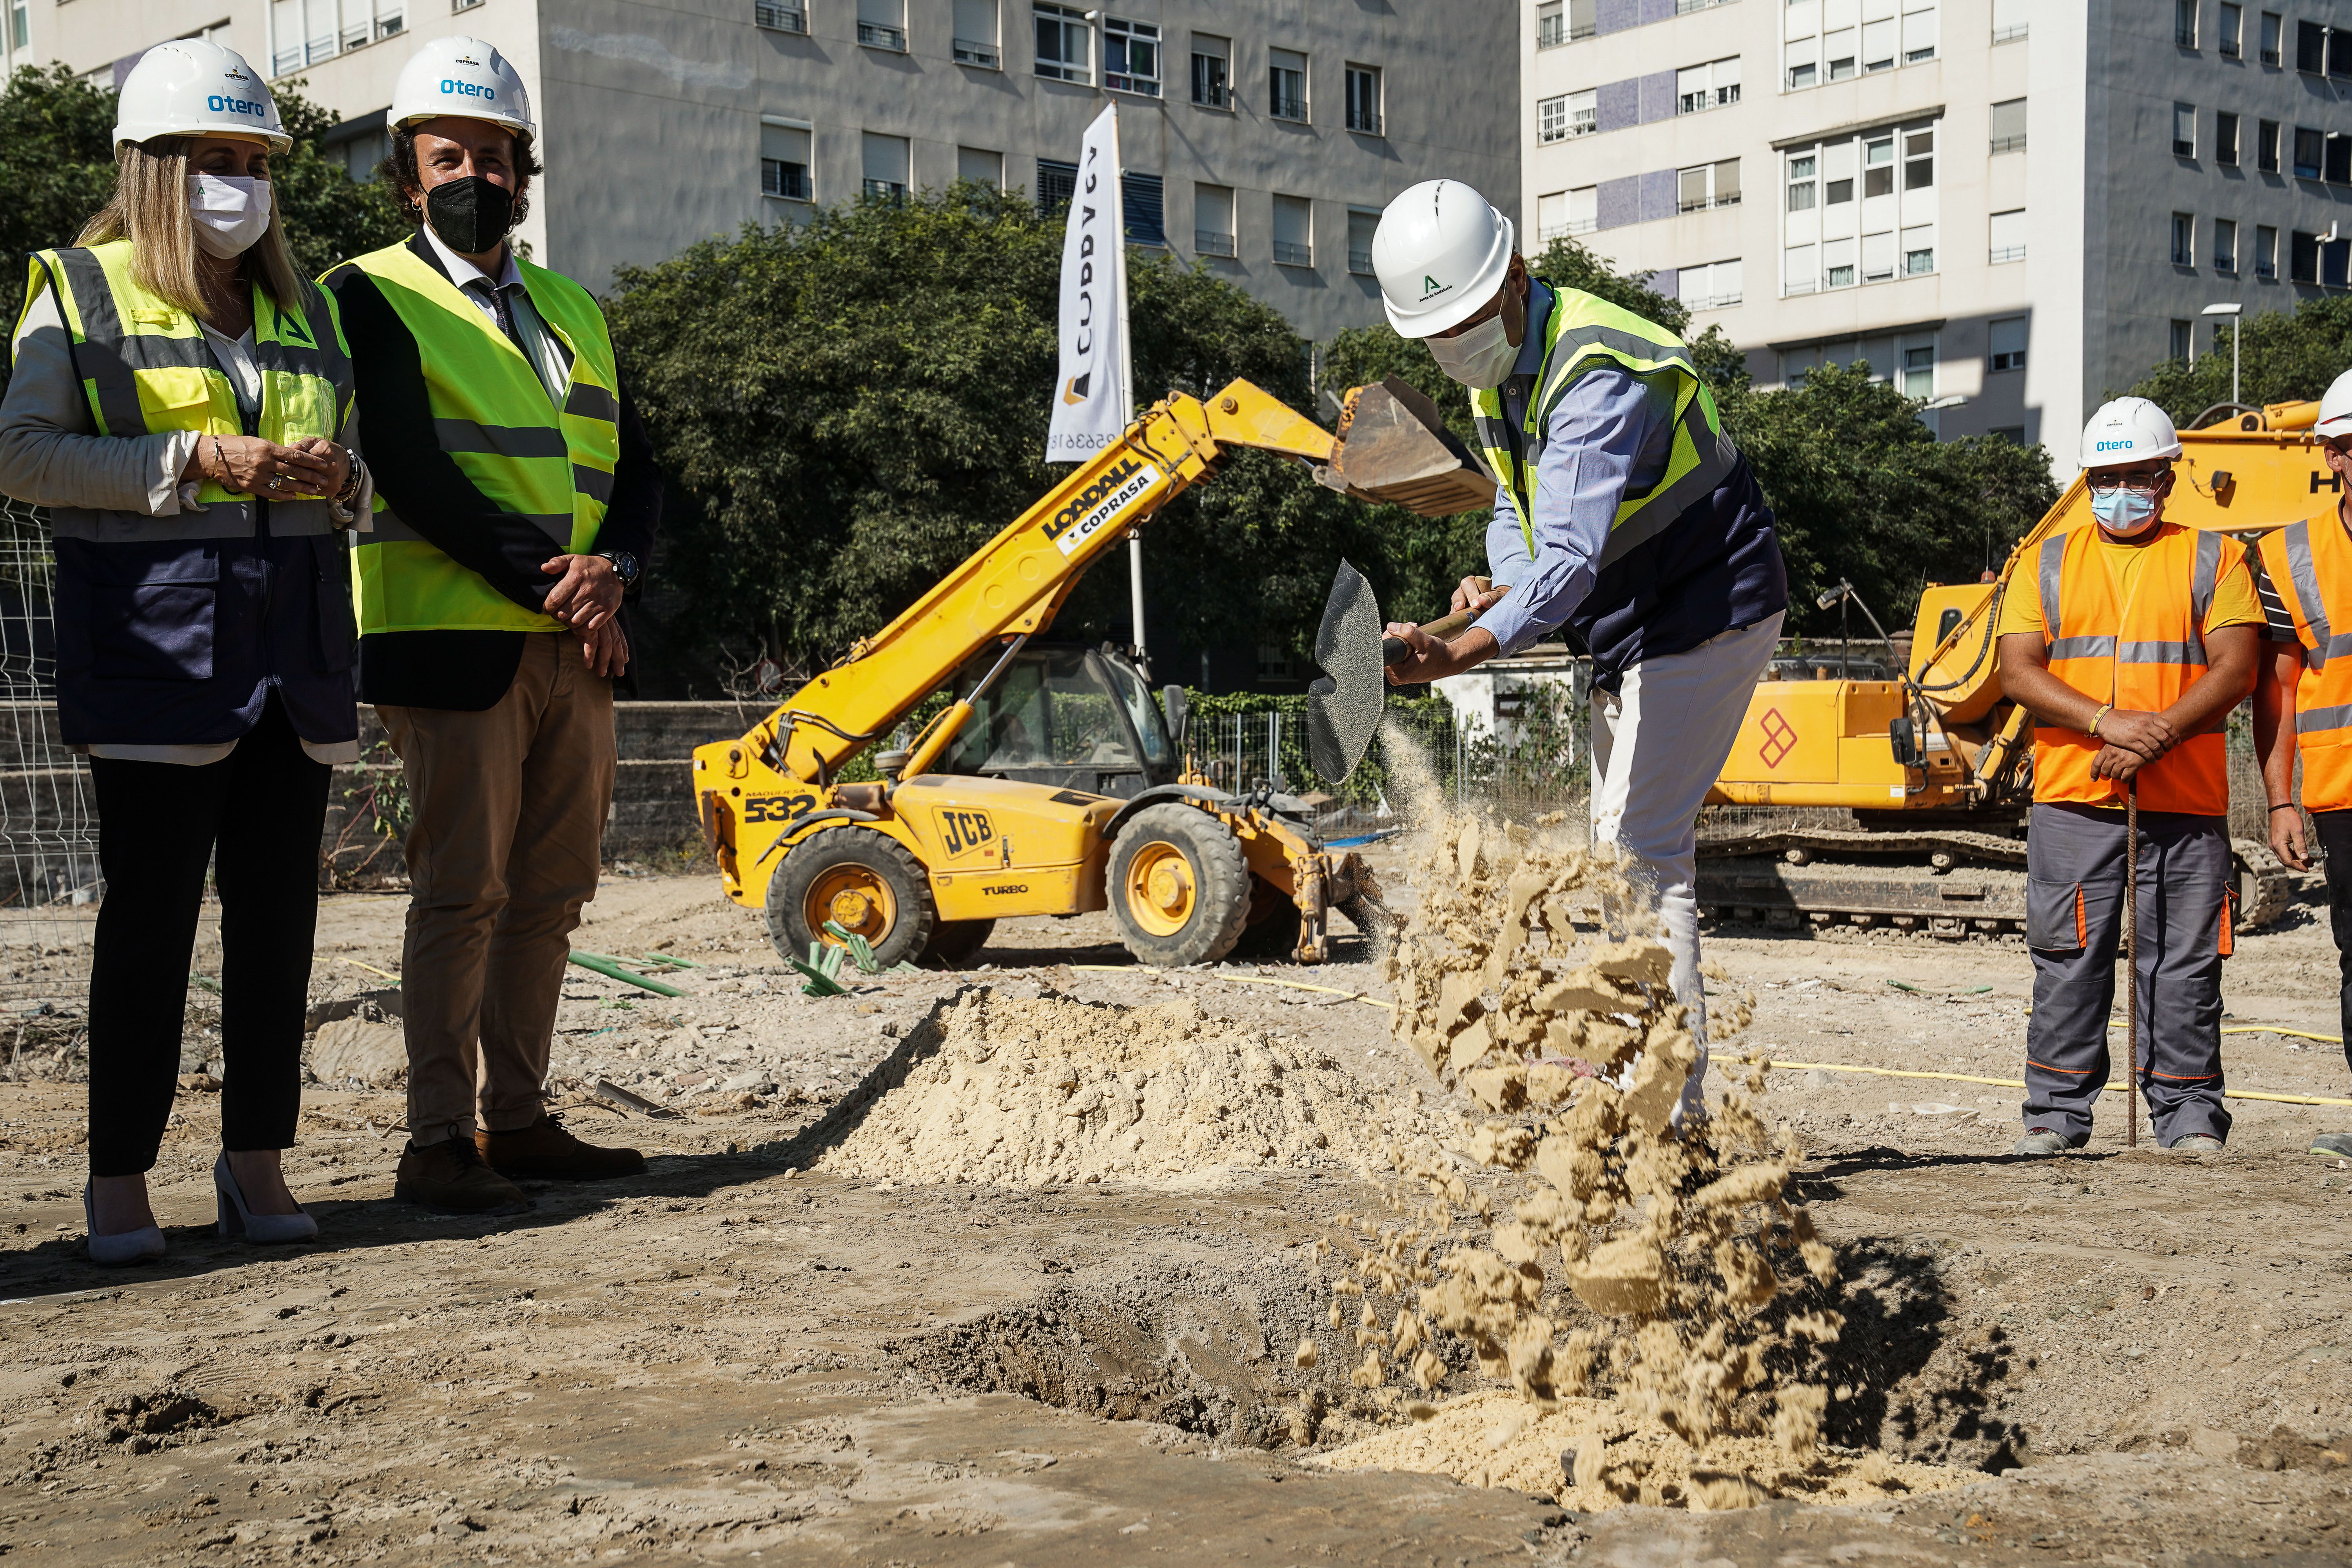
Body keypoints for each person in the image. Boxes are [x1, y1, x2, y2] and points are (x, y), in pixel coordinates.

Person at [0, 41, 366, 1262]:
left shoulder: (304, 310)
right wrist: (191, 461)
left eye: (257, 163)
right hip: (160, 647)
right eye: (218, 161)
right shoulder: (81, 288)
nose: (243, 185)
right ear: (155, 169)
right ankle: (119, 1181)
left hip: (294, 651)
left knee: (279, 922)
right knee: (149, 922)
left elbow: (350, 475)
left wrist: (342, 478)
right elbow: (22, 455)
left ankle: (256, 1159)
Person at [321, 36, 662, 1214]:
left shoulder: (574, 307)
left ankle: (517, 1121)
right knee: (461, 893)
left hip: (576, 646)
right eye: (449, 155)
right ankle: (435, 1143)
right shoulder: (365, 293)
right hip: (454, 643)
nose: (478, 174)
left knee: (553, 895)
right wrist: (567, 586)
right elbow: (413, 469)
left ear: (525, 170)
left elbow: (639, 469)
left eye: (497, 155)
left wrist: (616, 568)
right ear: (407, 176)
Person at [1369, 180, 1788, 1123]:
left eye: (1468, 320)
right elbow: (1522, 519)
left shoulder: (1597, 369)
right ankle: (1635, 1075)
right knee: (1626, 853)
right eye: (1435, 335)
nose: (1456, 347)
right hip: (1630, 621)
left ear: (1514, 277)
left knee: (1638, 852)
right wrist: (1498, 590)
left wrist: (1474, 643)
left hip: (1707, 604)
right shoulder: (1495, 381)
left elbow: (1569, 555)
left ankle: (1663, 1108)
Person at [1997, 398, 2260, 1156]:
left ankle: (2187, 1115)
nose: (2123, 491)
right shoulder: (2044, 563)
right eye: (2106, 478)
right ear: (2088, 482)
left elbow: (2236, 668)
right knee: (2068, 960)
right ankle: (2055, 1114)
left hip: (2185, 803)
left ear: (2166, 478)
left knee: (2183, 963)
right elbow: (2019, 671)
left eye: (2138, 476)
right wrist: (2107, 724)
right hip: (2075, 799)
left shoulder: (2215, 558)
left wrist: (2156, 737)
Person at [2251, 368, 2352, 1161]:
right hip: (2345, 792)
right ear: (2330, 452)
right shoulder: (2291, 553)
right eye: (2349, 444)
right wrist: (2281, 800)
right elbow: (2279, 688)